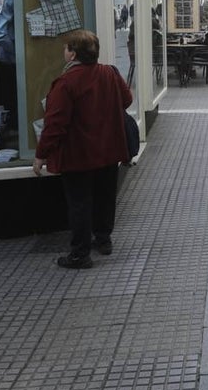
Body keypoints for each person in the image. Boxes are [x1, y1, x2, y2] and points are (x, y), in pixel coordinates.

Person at [33, 29, 133, 269]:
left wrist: (41, 154)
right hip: (109, 149)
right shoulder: (109, 73)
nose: (64, 51)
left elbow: (55, 124)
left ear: (73, 54)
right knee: (105, 197)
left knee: (80, 202)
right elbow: (127, 100)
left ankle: (80, 254)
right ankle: (103, 239)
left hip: (79, 154)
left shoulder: (66, 83)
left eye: (66, 48)